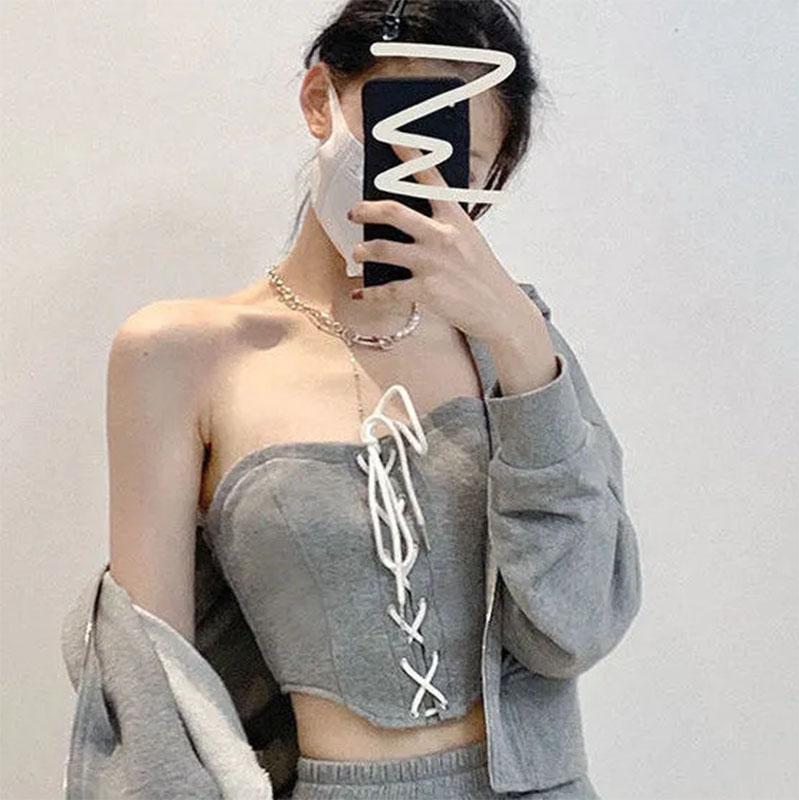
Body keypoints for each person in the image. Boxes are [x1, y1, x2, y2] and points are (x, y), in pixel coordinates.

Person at [102, 1, 641, 798]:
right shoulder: (181, 355)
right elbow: (154, 695)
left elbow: (577, 628)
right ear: (320, 100)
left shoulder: (520, 349)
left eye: (455, 162)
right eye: (403, 136)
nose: (419, 181)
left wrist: (522, 345)